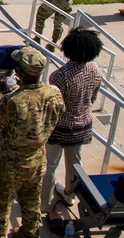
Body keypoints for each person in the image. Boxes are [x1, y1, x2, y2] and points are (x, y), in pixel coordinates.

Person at [0, 47, 64, 238]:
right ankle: (30, 234)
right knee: (31, 204)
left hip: (8, 165)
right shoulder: (55, 94)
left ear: (19, 71)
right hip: (36, 160)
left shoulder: (14, 102)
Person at [42, 29, 104, 225]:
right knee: (75, 164)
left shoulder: (59, 76)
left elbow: (54, 105)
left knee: (50, 165)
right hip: (82, 125)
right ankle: (69, 195)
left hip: (59, 127)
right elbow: (92, 98)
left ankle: (43, 203)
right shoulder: (95, 70)